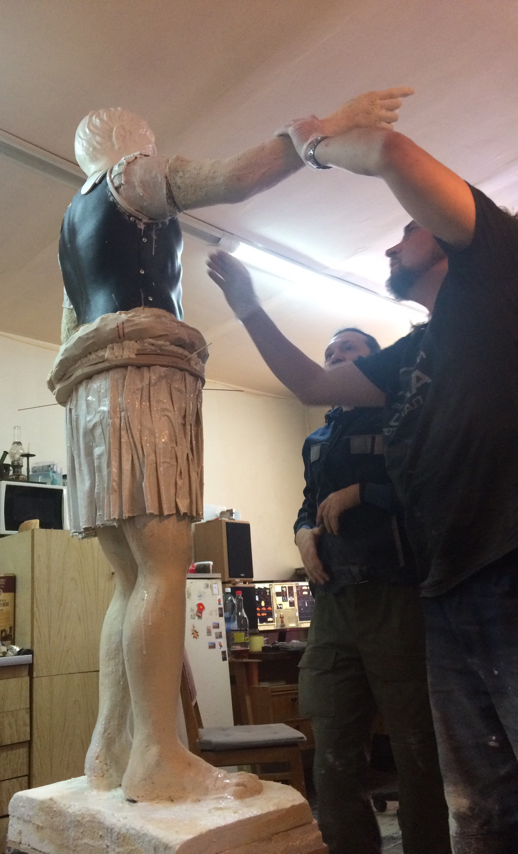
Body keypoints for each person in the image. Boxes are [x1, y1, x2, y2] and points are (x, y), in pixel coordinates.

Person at [47, 88, 413, 803]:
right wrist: (323, 130)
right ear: (134, 142)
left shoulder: (70, 222)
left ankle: (111, 750)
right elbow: (236, 178)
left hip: (90, 393)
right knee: (163, 567)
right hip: (143, 376)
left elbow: (67, 335)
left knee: (128, 577)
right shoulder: (132, 176)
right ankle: (157, 755)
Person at [207, 116, 518, 852]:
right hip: (444, 587)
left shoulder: (498, 278)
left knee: (448, 774)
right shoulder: (413, 353)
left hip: (506, 568)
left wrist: (307, 143)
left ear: (449, 240)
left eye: (407, 231)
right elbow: (313, 384)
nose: (390, 244)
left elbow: (386, 151)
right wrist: (248, 304)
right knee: (480, 806)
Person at [294, 327, 450, 854]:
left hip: (397, 598)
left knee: (416, 746)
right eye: (329, 351)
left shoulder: (404, 416)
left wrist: (364, 492)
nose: (336, 355)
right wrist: (302, 532)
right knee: (333, 752)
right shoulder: (317, 439)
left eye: (349, 349)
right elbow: (308, 503)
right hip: (334, 604)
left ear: (374, 363)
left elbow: (433, 487)